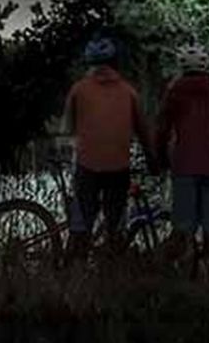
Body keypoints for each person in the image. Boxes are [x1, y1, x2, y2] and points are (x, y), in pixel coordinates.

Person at [155, 41, 209, 290]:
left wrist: (160, 159)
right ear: (206, 65)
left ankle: (188, 288)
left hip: (184, 167)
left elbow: (162, 130)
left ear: (182, 66)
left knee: (185, 228)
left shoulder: (175, 90)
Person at [61, 36, 151, 260]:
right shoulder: (129, 92)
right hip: (118, 167)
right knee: (115, 224)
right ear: (114, 62)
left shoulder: (78, 90)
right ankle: (111, 268)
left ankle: (76, 271)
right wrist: (153, 159)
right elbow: (143, 131)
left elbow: (66, 128)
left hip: (87, 165)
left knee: (82, 222)